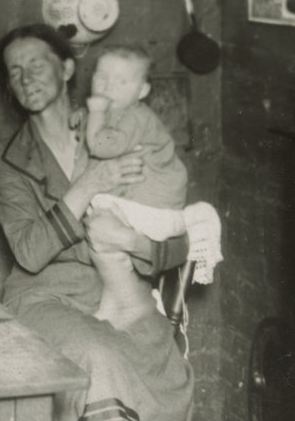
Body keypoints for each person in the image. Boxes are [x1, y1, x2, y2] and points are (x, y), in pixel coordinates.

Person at [0, 24, 195, 421]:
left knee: (171, 374)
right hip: (47, 297)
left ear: (67, 69)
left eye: (36, 63)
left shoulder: (120, 128)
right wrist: (89, 184)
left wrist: (134, 242)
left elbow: (179, 234)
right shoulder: (8, 157)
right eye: (15, 71)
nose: (26, 76)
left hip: (124, 298)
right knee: (99, 356)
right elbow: (29, 253)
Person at [83, 45, 216, 324]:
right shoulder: (118, 114)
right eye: (102, 77)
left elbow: (99, 145)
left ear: (142, 92)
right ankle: (116, 304)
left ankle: (137, 300)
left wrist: (94, 111)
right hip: (146, 207)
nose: (108, 86)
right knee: (102, 231)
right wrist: (87, 118)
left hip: (157, 214)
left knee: (96, 213)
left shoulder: (136, 117)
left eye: (122, 81)